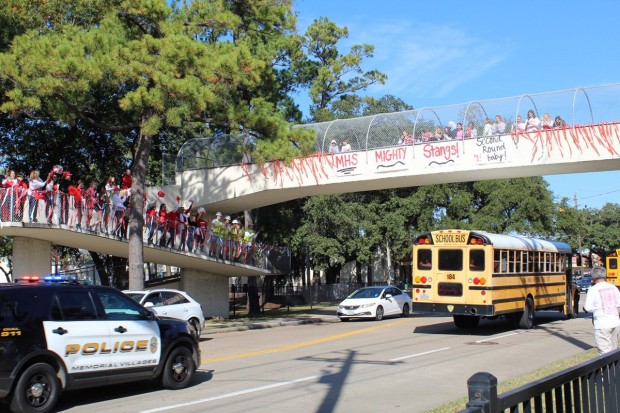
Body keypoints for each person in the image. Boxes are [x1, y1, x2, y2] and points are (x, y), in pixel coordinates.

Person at [583, 266, 620, 355]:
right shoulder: (613, 287)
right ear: (605, 275)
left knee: (604, 353)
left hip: (602, 323)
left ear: (593, 277)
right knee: (614, 350)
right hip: (615, 322)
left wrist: (596, 308)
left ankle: (607, 369)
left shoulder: (593, 290)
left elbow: (588, 308)